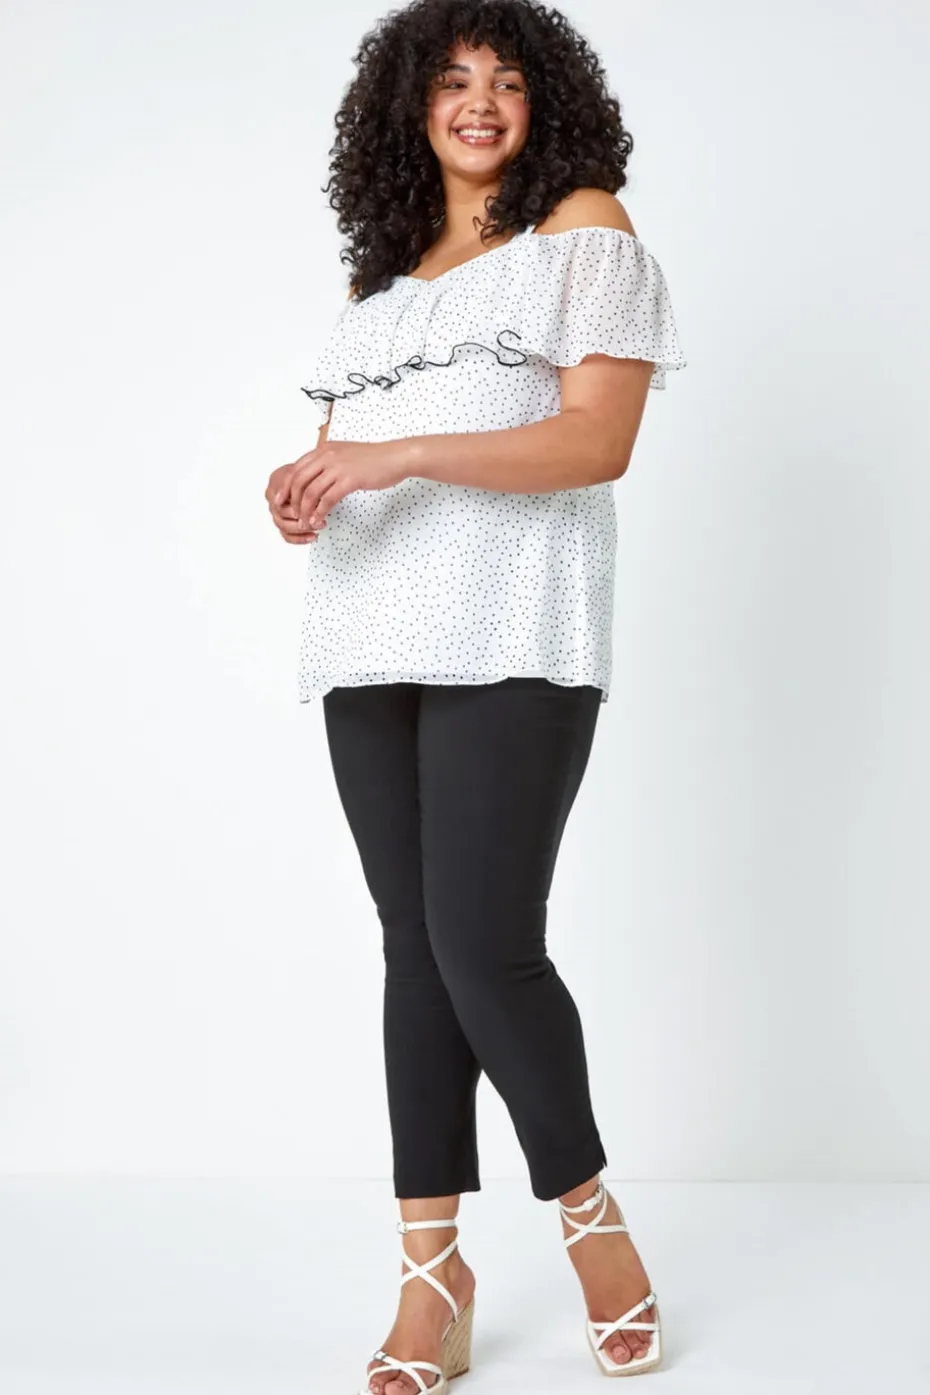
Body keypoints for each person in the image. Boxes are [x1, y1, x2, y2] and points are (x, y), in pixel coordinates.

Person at [264, 2, 686, 1389]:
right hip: (366, 634)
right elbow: (350, 452)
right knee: (413, 950)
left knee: (485, 943)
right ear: (410, 109)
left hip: (513, 629)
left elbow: (595, 442)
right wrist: (310, 484)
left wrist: (397, 458)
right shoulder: (380, 285)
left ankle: (592, 1220)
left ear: (545, 99)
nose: (480, 101)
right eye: (451, 81)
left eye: (507, 79)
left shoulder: (584, 233)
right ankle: (430, 1273)